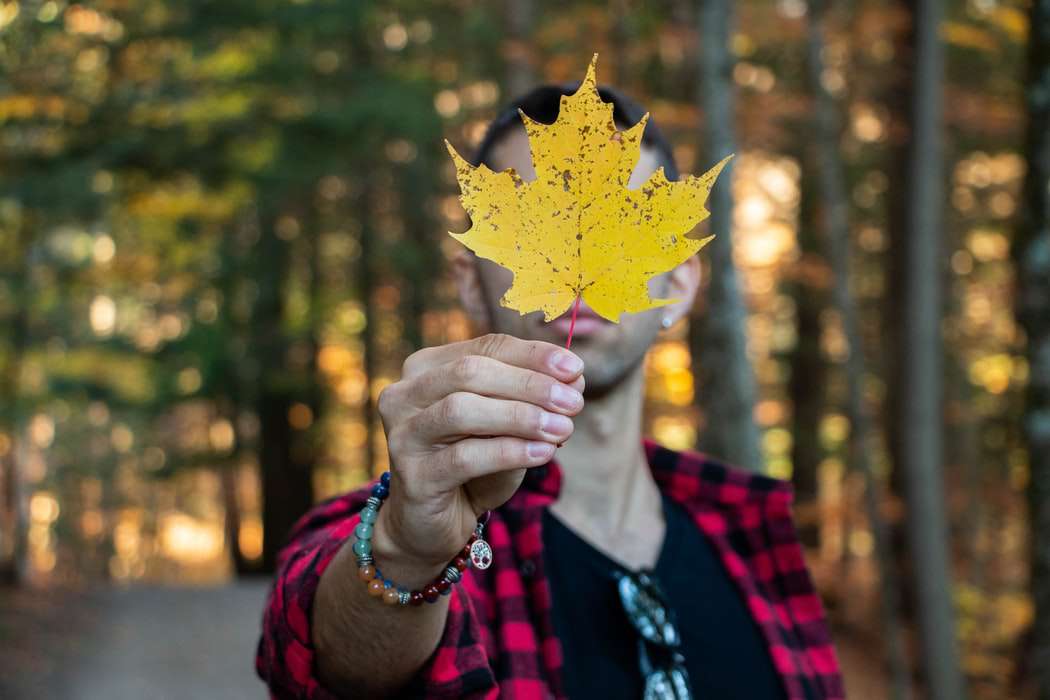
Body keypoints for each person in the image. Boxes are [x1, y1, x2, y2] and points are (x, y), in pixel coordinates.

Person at [256, 82, 845, 700]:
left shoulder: (750, 537)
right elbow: (319, 662)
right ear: (470, 281)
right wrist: (406, 551)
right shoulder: (424, 520)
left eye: (619, 224)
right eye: (536, 222)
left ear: (681, 283)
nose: (581, 259)